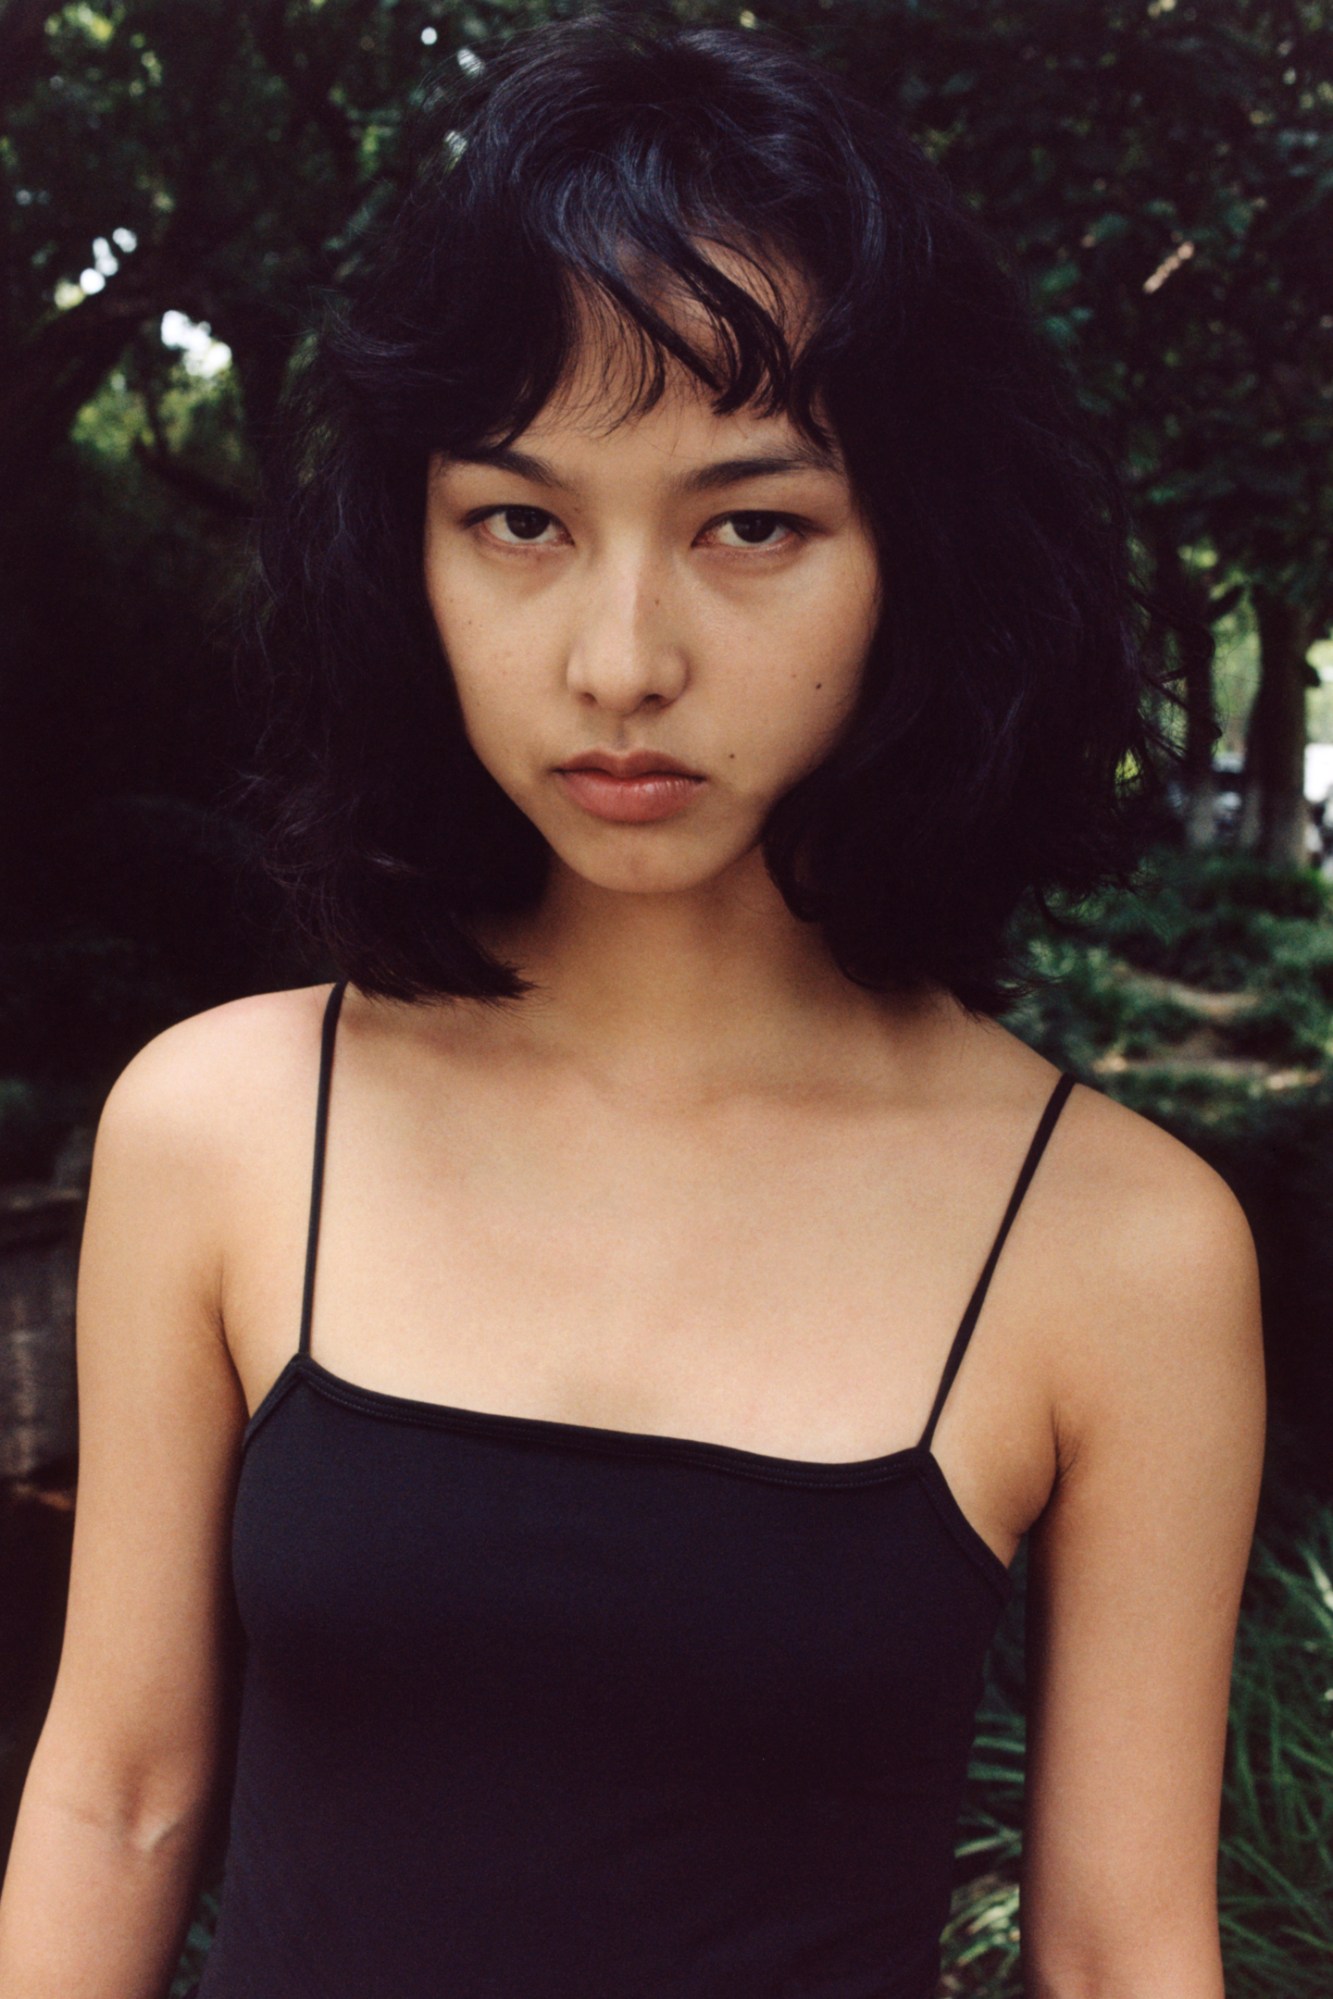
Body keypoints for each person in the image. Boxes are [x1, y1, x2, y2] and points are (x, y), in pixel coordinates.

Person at [0, 13, 1265, 1998]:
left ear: (908, 560)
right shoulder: (229, 1129)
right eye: (520, 519)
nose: (617, 658)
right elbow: (124, 1790)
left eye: (749, 525)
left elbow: (1117, 1950)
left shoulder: (1114, 1244)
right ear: (404, 553)